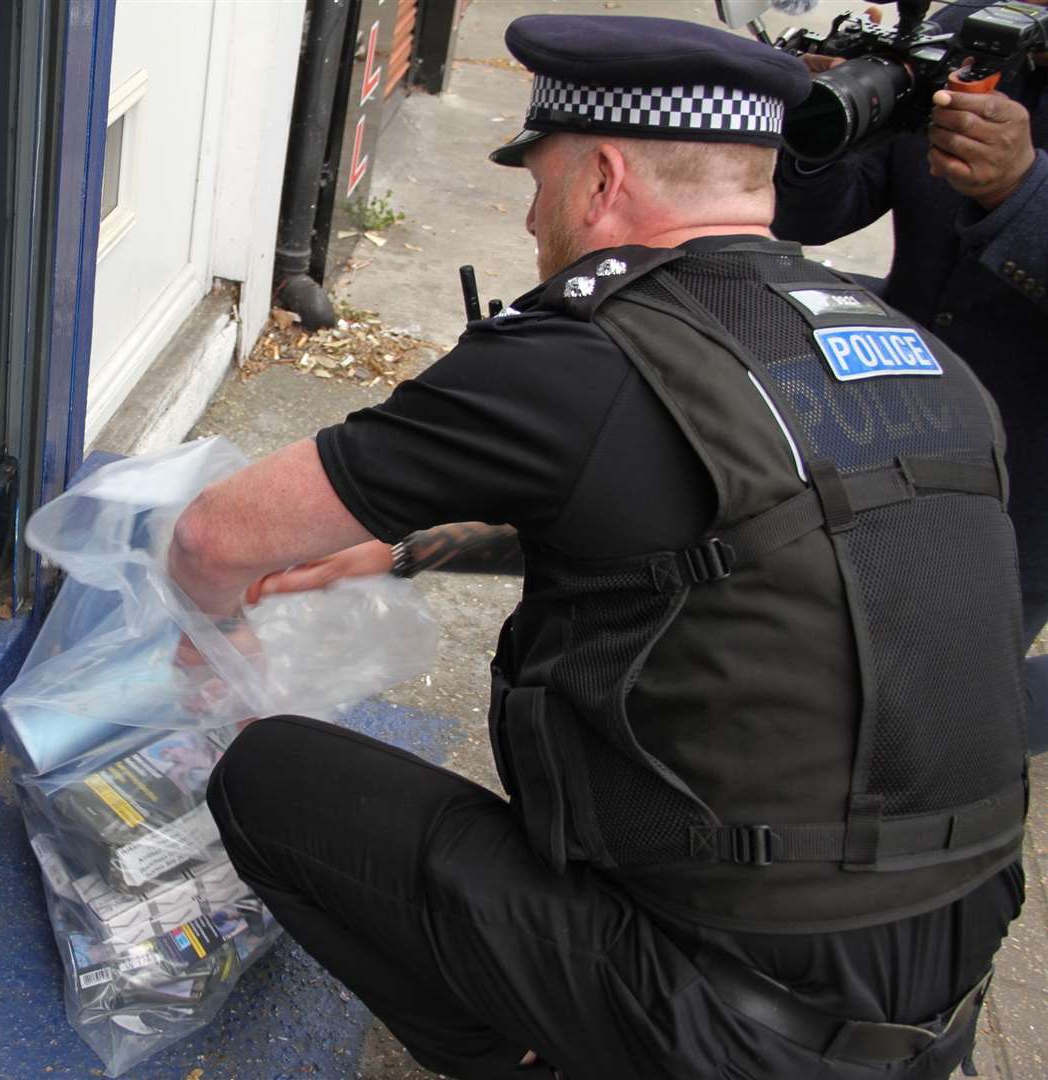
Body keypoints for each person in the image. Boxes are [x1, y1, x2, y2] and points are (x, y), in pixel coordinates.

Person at [166, 14, 1027, 1080]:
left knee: (269, 776)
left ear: (602, 177)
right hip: (930, 995)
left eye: (538, 179)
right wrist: (405, 550)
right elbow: (725, 523)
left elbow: (212, 536)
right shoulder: (916, 356)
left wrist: (204, 648)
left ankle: (522, 1056)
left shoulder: (583, 354)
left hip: (730, 1026)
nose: (532, 216)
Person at [771, 0, 1048, 749]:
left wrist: (1021, 189)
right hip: (894, 427)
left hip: (1027, 483)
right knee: (828, 653)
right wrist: (814, 128)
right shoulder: (959, 37)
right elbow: (817, 213)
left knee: (938, 708)